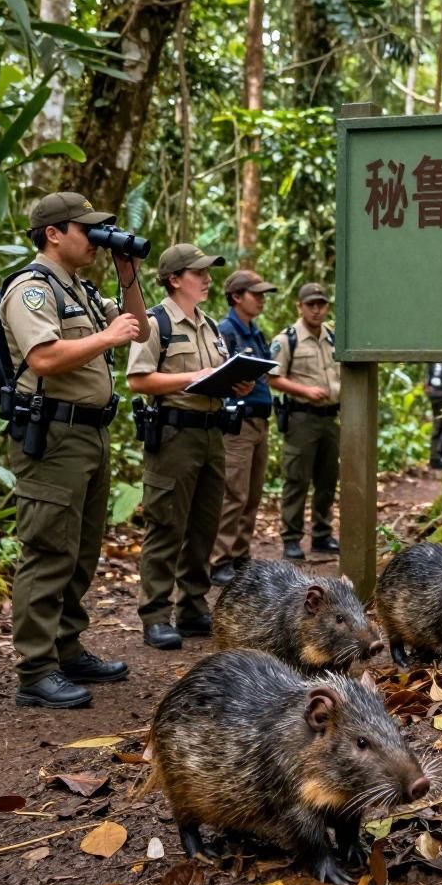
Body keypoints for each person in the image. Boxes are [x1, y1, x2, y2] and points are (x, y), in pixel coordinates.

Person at [0, 191, 149, 708]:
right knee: (48, 550)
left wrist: (128, 273)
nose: (94, 239)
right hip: (55, 435)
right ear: (54, 233)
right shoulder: (32, 290)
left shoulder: (81, 290)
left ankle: (66, 647)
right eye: (86, 229)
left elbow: (140, 330)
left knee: (82, 549)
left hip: (91, 432)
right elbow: (43, 358)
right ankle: (36, 671)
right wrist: (107, 337)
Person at [126, 244, 254, 650]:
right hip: (173, 434)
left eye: (208, 272)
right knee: (166, 526)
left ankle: (193, 606)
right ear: (175, 278)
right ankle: (156, 615)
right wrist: (192, 377)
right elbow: (138, 379)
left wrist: (238, 382)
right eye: (199, 272)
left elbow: (215, 373)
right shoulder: (155, 322)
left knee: (204, 525)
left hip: (212, 433)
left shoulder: (210, 325)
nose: (207, 278)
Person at [209, 270, 278, 587]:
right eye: (256, 294)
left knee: (251, 494)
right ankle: (220, 559)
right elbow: (217, 377)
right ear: (237, 297)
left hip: (260, 420)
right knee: (233, 493)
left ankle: (240, 555)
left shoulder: (255, 332)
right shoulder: (226, 331)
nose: (262, 299)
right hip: (238, 422)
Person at [268, 282, 340, 561]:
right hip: (301, 418)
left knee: (327, 479)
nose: (317, 310)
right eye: (311, 304)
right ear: (300, 306)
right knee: (297, 479)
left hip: (330, 418)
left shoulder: (333, 337)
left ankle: (322, 534)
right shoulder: (287, 340)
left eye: (321, 304)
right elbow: (273, 377)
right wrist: (305, 390)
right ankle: (291, 538)